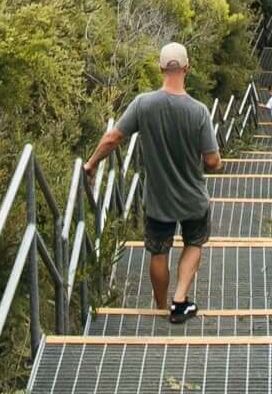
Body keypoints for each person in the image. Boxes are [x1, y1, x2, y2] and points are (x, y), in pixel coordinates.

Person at [86, 40, 223, 323]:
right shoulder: (198, 112)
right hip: (192, 196)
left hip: (158, 198)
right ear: (187, 67)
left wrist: (90, 164)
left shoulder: (143, 104)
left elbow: (114, 137)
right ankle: (179, 300)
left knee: (158, 251)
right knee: (194, 242)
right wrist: (214, 164)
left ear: (161, 67)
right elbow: (212, 161)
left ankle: (161, 307)